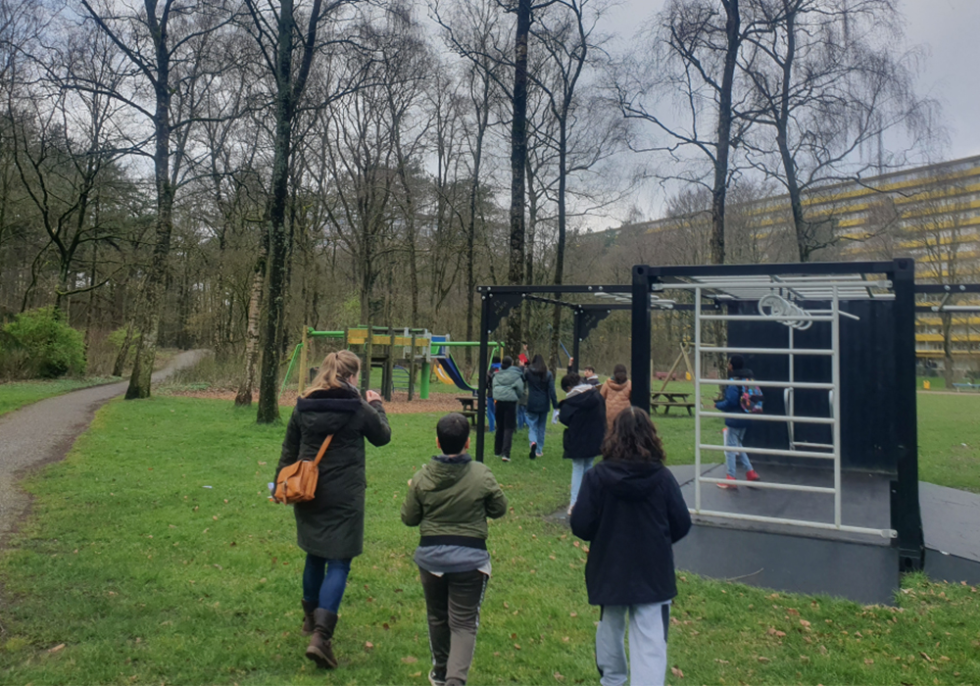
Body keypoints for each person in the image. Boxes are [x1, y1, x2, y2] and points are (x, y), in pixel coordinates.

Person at [275, 350, 391, 669]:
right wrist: (377, 403)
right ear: (352, 376)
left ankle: (311, 621)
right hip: (345, 496)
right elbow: (383, 436)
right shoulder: (357, 407)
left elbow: (289, 449)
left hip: (309, 490)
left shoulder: (303, 404)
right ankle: (322, 637)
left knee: (314, 554)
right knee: (338, 562)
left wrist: (279, 485)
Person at [570, 407, 692, 686]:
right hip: (653, 568)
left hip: (611, 564)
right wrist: (658, 540)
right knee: (650, 638)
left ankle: (612, 679)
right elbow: (681, 522)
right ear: (651, 436)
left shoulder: (598, 477)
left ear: (614, 435)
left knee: (610, 627)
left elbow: (581, 523)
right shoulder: (662, 478)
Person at [401, 413, 508, 686]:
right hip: (470, 560)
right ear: (468, 443)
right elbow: (499, 508)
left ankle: (440, 672)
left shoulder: (422, 477)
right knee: (462, 623)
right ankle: (454, 680)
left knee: (437, 617)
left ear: (437, 442)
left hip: (431, 557)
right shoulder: (482, 475)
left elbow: (409, 518)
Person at [559, 372, 606, 515]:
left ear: (569, 387)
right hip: (594, 437)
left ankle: (574, 503)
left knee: (577, 467)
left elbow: (564, 418)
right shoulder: (596, 395)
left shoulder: (571, 400)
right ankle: (588, 499)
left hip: (577, 438)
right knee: (588, 466)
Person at [714, 355, 761, 489]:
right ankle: (750, 472)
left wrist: (718, 405)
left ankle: (731, 478)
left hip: (735, 418)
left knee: (730, 448)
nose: (728, 365)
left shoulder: (733, 381)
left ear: (732, 365)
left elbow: (731, 402)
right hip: (747, 416)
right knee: (738, 445)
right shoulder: (748, 379)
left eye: (729, 363)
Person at [524, 354, 559, 459]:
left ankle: (533, 442)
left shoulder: (528, 373)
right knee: (541, 427)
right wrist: (555, 405)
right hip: (544, 403)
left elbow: (522, 380)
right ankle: (539, 451)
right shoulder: (548, 374)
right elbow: (552, 391)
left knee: (532, 426)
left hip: (532, 402)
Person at [492, 356, 524, 462]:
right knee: (508, 428)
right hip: (510, 402)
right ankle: (506, 453)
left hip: (499, 402)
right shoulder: (516, 374)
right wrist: (517, 397)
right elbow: (520, 388)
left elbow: (493, 386)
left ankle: (497, 450)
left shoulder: (497, 373)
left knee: (500, 426)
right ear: (512, 363)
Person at [600, 365, 632, 432]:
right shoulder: (629, 384)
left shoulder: (607, 384)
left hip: (609, 414)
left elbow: (601, 397)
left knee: (610, 433)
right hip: (625, 414)